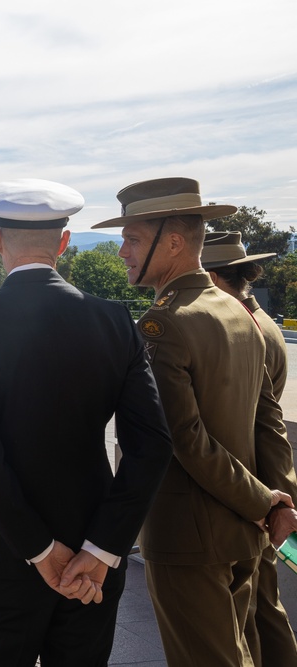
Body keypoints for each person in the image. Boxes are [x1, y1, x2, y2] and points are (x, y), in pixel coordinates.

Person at [0, 179, 173, 666]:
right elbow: (152, 447)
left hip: (5, 557)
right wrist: (101, 549)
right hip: (92, 562)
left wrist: (40, 549)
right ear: (64, 243)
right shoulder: (115, 321)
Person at [92, 177, 294, 667]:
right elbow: (269, 419)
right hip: (244, 532)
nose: (121, 251)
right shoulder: (238, 311)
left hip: (189, 539)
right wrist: (277, 497)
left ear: (175, 242)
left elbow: (185, 440)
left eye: (132, 238)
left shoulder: (165, 324)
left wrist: (264, 501)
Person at [201, 231, 297, 667]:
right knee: (264, 608)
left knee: (251, 618)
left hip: (248, 496)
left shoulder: (244, 326)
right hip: (262, 494)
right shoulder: (262, 322)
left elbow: (259, 423)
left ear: (216, 279)